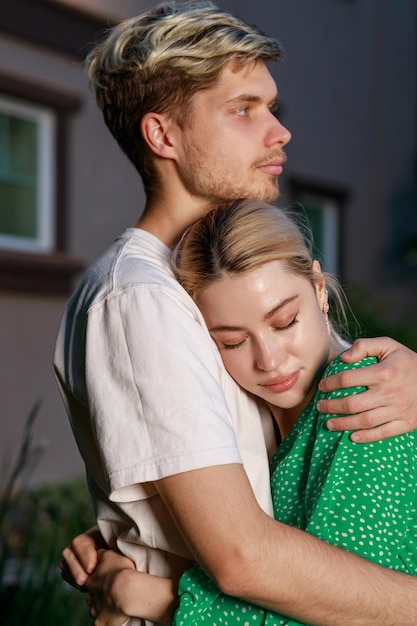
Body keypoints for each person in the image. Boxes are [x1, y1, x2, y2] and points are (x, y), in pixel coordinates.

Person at [53, 2, 417, 625]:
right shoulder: (141, 297)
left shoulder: (224, 270)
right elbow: (243, 556)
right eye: (243, 110)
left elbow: (308, 429)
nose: (279, 132)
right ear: (163, 136)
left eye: (271, 108)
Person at [79, 200, 417, 626]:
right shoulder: (253, 416)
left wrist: (145, 594)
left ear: (318, 289)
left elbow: (343, 612)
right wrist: (117, 540)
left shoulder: (365, 396)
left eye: (285, 321)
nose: (270, 361)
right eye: (233, 342)